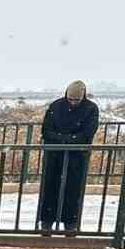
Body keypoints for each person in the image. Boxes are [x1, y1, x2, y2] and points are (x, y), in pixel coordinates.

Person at [38, 80, 100, 235]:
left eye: (76, 100)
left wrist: (66, 140)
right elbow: (46, 130)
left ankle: (70, 225)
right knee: (50, 188)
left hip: (77, 157)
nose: (72, 103)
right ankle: (46, 223)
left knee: (73, 190)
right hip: (54, 155)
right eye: (70, 99)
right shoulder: (56, 106)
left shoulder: (91, 109)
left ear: (83, 97)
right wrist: (65, 139)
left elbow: (87, 134)